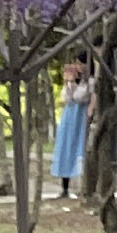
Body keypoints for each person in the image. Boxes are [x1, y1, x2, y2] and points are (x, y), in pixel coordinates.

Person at [49, 65, 92, 201]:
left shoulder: (89, 82)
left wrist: (73, 83)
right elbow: (66, 98)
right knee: (65, 148)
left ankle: (83, 187)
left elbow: (80, 97)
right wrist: (68, 82)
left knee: (81, 150)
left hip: (81, 117)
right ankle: (65, 187)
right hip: (69, 116)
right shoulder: (70, 83)